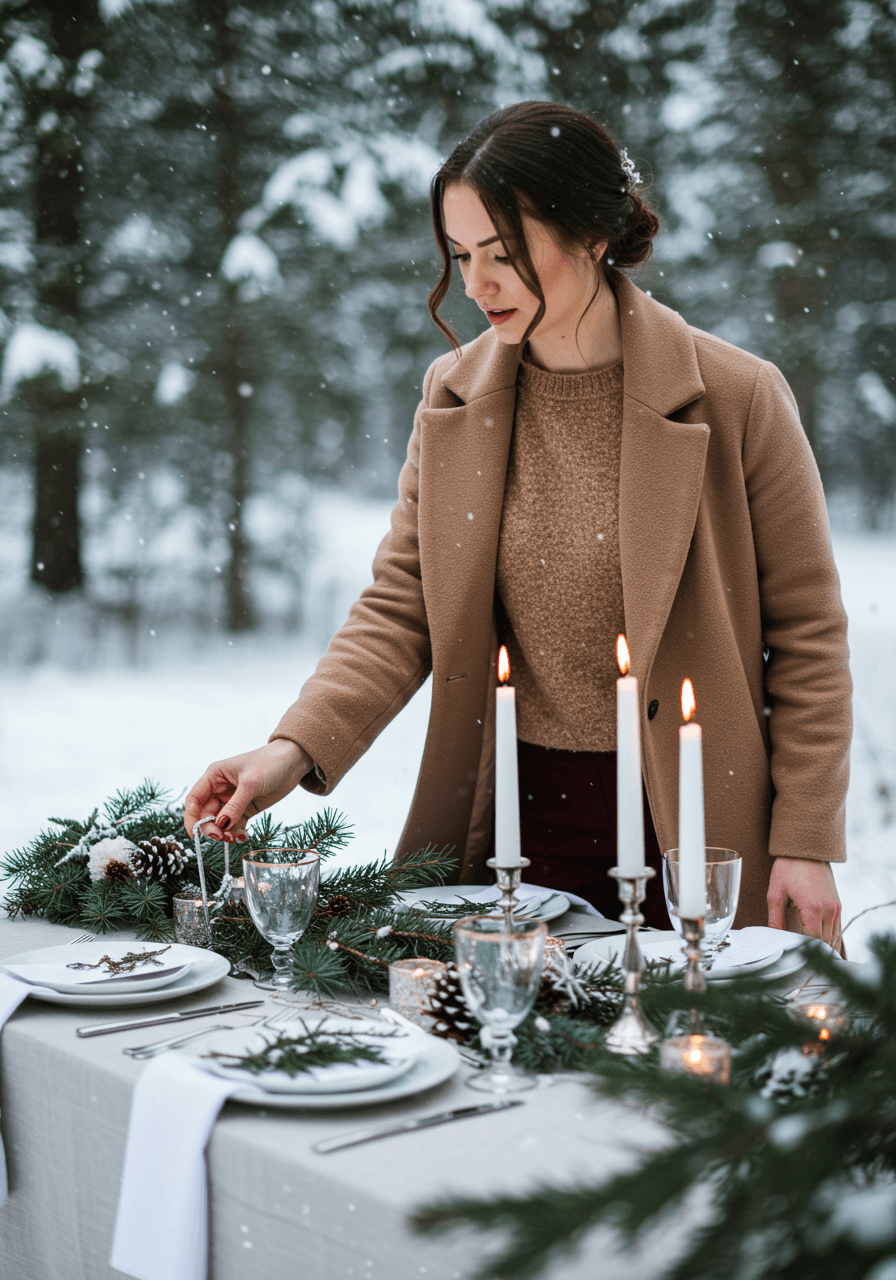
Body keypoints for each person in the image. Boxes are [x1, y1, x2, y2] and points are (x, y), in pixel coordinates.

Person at [185, 101, 851, 943]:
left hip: (692, 821)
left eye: (503, 254)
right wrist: (290, 752)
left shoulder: (739, 396)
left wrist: (805, 839)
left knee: (685, 1062)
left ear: (592, 236)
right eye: (461, 255)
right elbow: (402, 607)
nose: (474, 284)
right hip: (512, 826)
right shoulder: (452, 396)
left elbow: (809, 638)